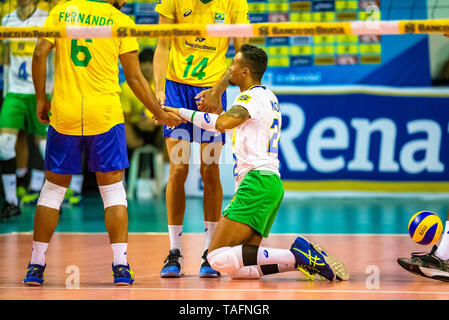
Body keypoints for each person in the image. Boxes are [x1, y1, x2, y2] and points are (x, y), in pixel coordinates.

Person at [23, 0, 182, 286]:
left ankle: (36, 265)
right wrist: (159, 113)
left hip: (65, 112)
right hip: (105, 116)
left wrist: (40, 98)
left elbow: (39, 54)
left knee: (52, 191)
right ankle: (120, 266)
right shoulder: (118, 19)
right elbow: (133, 77)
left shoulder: (62, 10)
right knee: (112, 192)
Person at [164, 44, 350, 281]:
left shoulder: (250, 97)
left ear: (245, 72)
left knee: (216, 257)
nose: (229, 69)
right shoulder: (268, 97)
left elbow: (222, 123)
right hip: (270, 184)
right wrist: (180, 112)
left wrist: (180, 112)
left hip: (256, 182)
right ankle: (301, 262)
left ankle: (298, 256)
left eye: (234, 64)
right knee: (241, 270)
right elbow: (217, 122)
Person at [154, 0, 250, 279]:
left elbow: (241, 55)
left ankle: (210, 252)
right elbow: (162, 46)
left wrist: (219, 90)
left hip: (211, 91)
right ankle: (174, 251)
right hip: (176, 89)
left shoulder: (234, 3)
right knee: (179, 168)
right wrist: (159, 93)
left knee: (210, 170)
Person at [0, 0, 53, 220]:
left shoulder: (45, 18)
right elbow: (6, 59)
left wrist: (53, 89)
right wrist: (6, 90)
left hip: (40, 91)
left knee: (47, 147)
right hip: (14, 93)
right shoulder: (6, 20)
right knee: (4, 145)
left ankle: (52, 199)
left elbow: (55, 56)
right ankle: (12, 202)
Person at [121, 48, 166, 163]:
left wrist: (153, 122)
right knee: (123, 128)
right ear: (138, 65)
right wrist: (140, 124)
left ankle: (166, 175)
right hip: (136, 127)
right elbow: (126, 119)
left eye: (151, 63)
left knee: (171, 129)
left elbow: (168, 112)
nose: (147, 67)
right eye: (144, 62)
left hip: (156, 126)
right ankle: (126, 175)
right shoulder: (126, 88)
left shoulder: (162, 87)